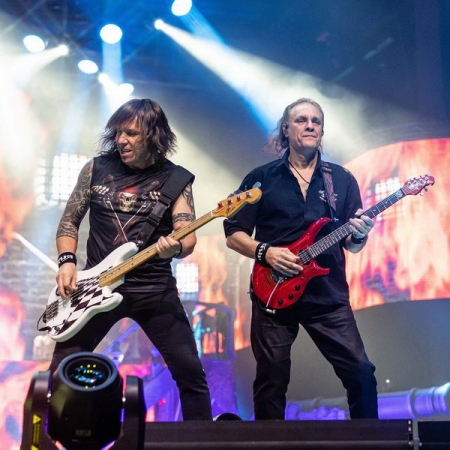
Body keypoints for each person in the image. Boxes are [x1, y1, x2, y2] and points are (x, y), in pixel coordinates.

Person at [49, 98, 212, 420]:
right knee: (58, 372)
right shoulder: (96, 168)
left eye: (131, 134)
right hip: (96, 289)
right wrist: (67, 261)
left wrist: (174, 248)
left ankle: (203, 440)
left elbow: (187, 236)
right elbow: (69, 221)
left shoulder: (176, 179)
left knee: (191, 376)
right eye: (118, 132)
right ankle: (42, 438)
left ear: (153, 135)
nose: (121, 140)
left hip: (154, 290)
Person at [223, 98, 378, 420]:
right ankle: (269, 442)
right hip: (272, 290)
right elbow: (234, 233)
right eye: (301, 120)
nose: (310, 126)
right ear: (285, 129)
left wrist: (360, 234)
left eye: (316, 121)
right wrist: (266, 252)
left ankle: (370, 439)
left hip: (327, 294)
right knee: (272, 378)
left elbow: (351, 245)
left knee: (361, 371)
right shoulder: (261, 178)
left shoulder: (341, 179)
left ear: (322, 131)